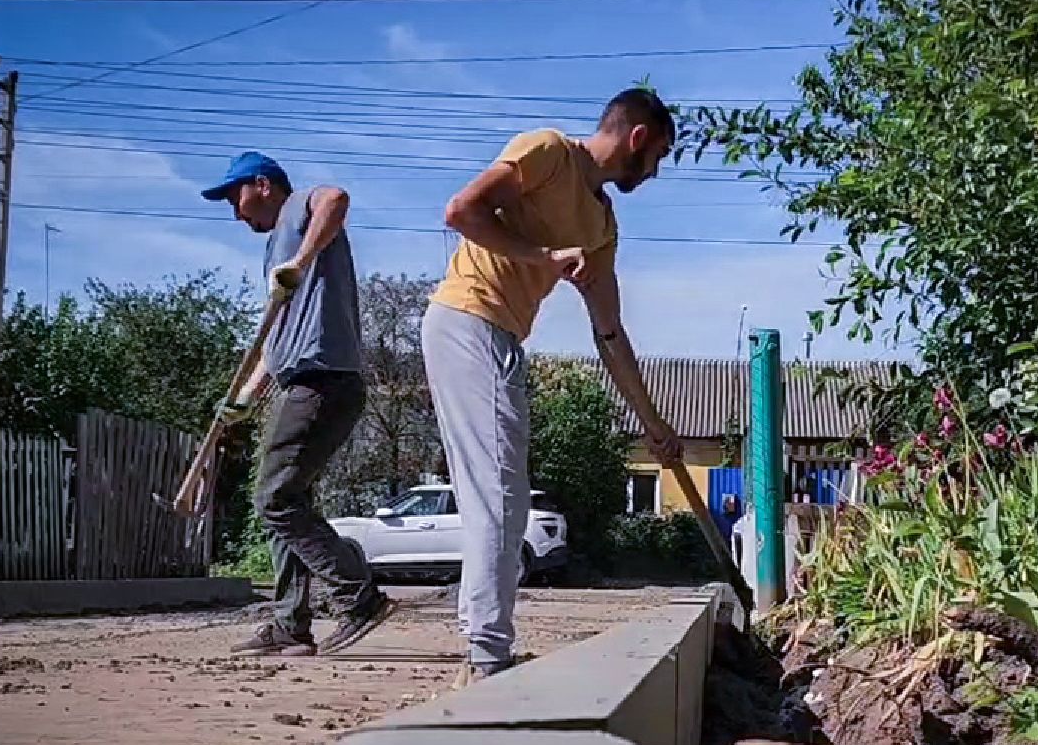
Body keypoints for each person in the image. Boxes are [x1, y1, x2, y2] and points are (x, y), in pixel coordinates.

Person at [424, 89, 683, 678]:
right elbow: (461, 211)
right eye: (659, 156)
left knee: (498, 493)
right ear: (637, 138)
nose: (656, 171)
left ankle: (482, 640)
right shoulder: (546, 152)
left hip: (501, 337)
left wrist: (653, 423)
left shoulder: (601, 225)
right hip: (466, 319)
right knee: (500, 493)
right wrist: (544, 255)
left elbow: (609, 333)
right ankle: (488, 655)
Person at [203, 151, 395, 657]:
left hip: (323, 377)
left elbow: (336, 198)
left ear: (262, 185)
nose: (235, 212)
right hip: (298, 377)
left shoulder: (298, 212)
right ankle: (291, 622)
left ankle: (357, 594)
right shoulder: (275, 248)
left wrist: (301, 260)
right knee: (283, 501)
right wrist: (244, 400)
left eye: (235, 197)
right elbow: (276, 341)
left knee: (275, 498)